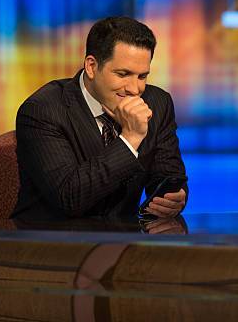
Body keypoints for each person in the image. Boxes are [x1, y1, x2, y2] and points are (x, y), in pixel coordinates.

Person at [12, 16, 187, 220]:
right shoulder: (43, 110)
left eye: (142, 76)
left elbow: (169, 176)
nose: (134, 89)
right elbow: (69, 198)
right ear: (92, 66)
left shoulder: (157, 103)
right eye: (123, 74)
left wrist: (175, 198)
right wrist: (130, 139)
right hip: (52, 242)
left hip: (125, 242)